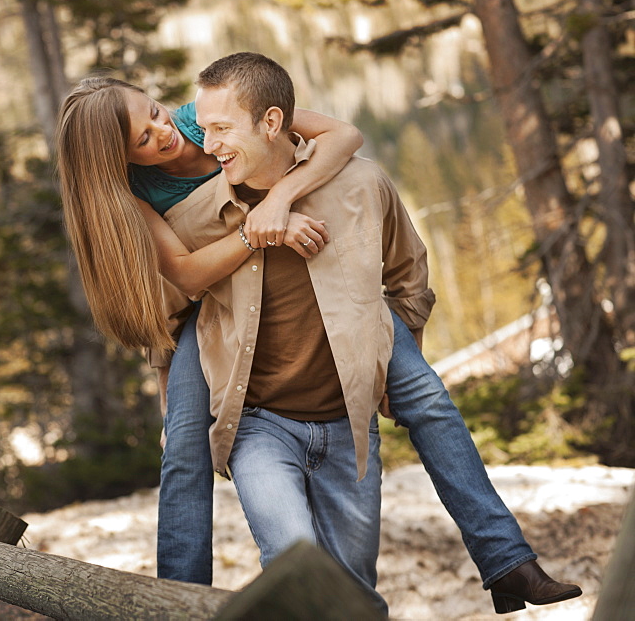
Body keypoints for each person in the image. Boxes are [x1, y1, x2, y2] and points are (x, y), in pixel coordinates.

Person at [55, 58, 582, 614]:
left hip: (310, 289)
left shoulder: (205, 117)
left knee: (428, 401)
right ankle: (180, 601)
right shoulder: (134, 193)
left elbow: (343, 135)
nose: (166, 132)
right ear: (122, 159)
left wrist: (281, 198)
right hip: (209, 313)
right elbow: (182, 279)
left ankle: (507, 561)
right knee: (184, 451)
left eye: (156, 112)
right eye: (144, 137)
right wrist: (263, 236)